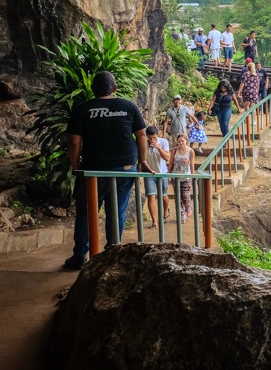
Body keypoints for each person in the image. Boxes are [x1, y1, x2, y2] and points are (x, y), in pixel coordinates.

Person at [64, 71, 151, 269]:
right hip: (124, 168)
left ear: (93, 89)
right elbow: (141, 135)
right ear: (115, 88)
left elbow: (74, 142)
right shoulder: (128, 106)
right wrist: (142, 160)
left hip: (94, 169)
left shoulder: (83, 109)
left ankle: (80, 255)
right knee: (117, 210)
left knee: (86, 212)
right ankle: (112, 253)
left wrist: (76, 167)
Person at [143, 126, 170, 229]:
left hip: (162, 173)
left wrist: (158, 147)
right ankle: (154, 221)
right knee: (151, 196)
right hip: (150, 173)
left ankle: (165, 211)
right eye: (150, 138)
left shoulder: (163, 142)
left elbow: (167, 158)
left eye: (154, 137)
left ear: (157, 135)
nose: (152, 140)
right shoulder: (144, 144)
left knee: (163, 195)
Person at [169, 134, 194, 223]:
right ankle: (181, 215)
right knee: (178, 197)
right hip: (176, 176)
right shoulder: (175, 150)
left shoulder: (190, 151)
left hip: (186, 176)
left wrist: (193, 175)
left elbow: (192, 164)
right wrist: (169, 173)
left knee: (185, 195)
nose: (181, 143)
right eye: (179, 141)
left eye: (182, 141)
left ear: (186, 141)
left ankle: (188, 207)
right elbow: (171, 162)